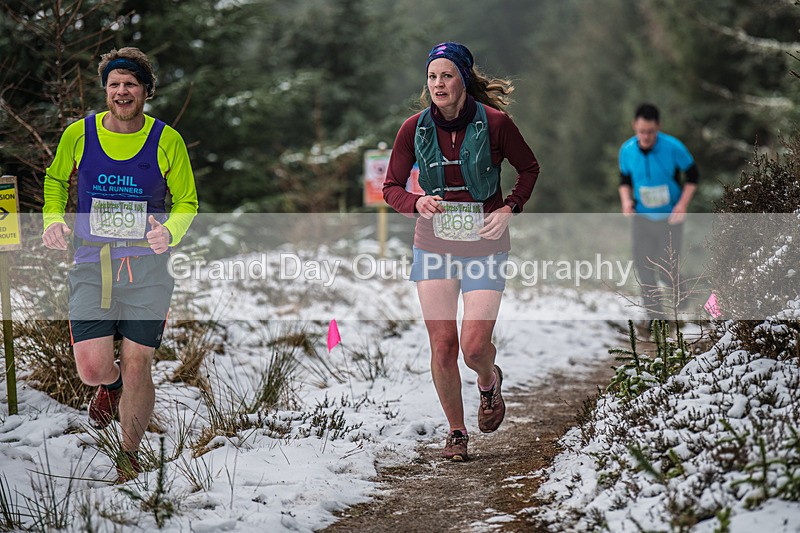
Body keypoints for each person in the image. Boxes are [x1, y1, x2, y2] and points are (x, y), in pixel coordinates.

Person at [42, 47, 198, 482]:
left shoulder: (167, 140)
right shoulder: (80, 134)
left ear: (146, 90)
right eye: (114, 84)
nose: (122, 91)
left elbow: (187, 201)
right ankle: (110, 389)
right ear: (105, 90)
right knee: (92, 367)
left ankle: (128, 456)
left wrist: (169, 230)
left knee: (137, 362)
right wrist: (53, 220)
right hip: (92, 262)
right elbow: (55, 180)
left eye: (131, 83)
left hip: (147, 268)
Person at [383, 42, 540, 461]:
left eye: (447, 75)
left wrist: (510, 207)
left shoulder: (495, 123)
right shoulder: (412, 128)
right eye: (432, 76)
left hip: (485, 243)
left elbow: (529, 168)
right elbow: (391, 188)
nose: (438, 83)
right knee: (443, 345)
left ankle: (488, 382)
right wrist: (416, 202)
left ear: (463, 80)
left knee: (473, 346)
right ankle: (456, 432)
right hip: (433, 244)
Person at [618, 103, 698, 319]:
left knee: (665, 268)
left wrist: (682, 204)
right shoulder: (626, 150)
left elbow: (693, 176)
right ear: (635, 126)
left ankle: (686, 296)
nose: (646, 136)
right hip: (642, 218)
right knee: (644, 269)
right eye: (642, 131)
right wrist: (626, 201)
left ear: (658, 127)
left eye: (651, 132)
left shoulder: (673, 147)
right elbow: (624, 180)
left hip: (670, 219)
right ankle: (657, 319)